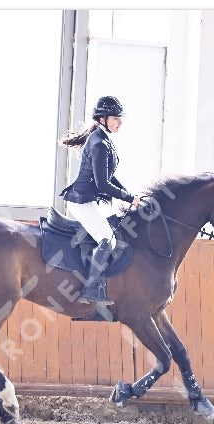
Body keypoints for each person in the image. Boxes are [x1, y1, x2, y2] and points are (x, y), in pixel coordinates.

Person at [59, 95, 141, 305]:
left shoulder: (103, 139)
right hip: (82, 201)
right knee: (108, 239)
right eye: (116, 118)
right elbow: (103, 184)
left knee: (116, 227)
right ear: (103, 119)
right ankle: (91, 289)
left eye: (120, 118)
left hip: (91, 200)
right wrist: (128, 197)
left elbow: (109, 176)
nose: (120, 122)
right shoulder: (99, 143)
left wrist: (129, 195)